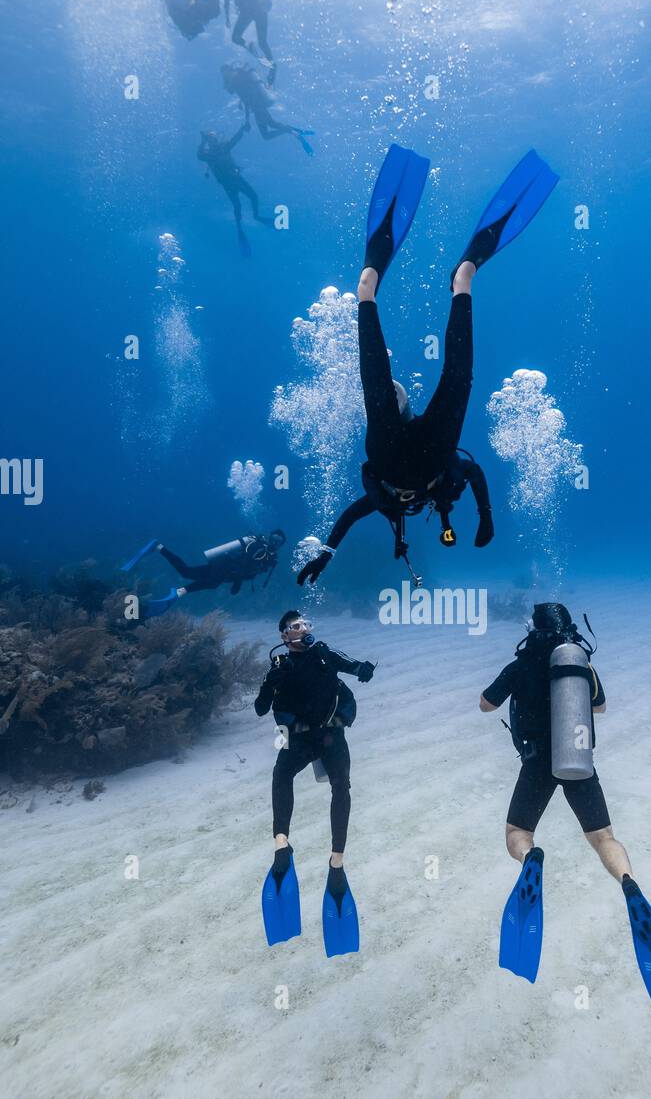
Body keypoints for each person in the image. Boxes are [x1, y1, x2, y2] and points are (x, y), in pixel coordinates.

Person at [297, 145, 561, 588]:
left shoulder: (384, 501)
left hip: (396, 452)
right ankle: (454, 281)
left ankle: (379, 288)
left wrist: (326, 553)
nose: (409, 506)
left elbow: (349, 516)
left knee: (415, 382)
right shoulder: (435, 488)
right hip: (430, 452)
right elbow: (473, 473)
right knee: (446, 380)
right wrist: (485, 518)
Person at [479, 601, 651, 1027]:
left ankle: (531, 860)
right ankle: (628, 883)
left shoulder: (521, 662)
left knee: (516, 831)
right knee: (603, 837)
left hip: (536, 762)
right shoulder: (578, 662)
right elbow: (598, 708)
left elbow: (485, 705)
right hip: (578, 761)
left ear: (534, 627)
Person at [256, 610, 376, 957]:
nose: (304, 629)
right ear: (284, 636)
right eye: (296, 627)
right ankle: (283, 844)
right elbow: (261, 709)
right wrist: (271, 680)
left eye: (306, 624)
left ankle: (335, 860)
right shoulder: (280, 668)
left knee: (341, 788)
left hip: (330, 735)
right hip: (302, 739)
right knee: (283, 775)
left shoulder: (323, 652)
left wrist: (365, 670)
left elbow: (354, 667)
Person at [120, 531, 286, 617]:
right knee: (205, 580)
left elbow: (247, 571)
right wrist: (237, 583)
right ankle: (178, 590)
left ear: (281, 545)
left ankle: (159, 548)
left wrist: (237, 580)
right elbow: (244, 566)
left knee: (187, 572)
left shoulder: (269, 558)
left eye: (278, 542)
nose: (274, 543)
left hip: (223, 569)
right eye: (274, 538)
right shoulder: (260, 549)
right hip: (224, 569)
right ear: (270, 537)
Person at [197, 127, 273, 256]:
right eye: (210, 140)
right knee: (238, 204)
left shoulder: (222, 148)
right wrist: (202, 141)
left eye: (213, 139)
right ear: (209, 142)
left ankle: (256, 217)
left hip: (235, 179)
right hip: (229, 182)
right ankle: (240, 227)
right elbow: (199, 156)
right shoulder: (209, 155)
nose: (213, 141)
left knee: (253, 197)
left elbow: (235, 140)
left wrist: (242, 129)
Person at [221, 64, 314, 153]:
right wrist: (248, 118)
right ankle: (295, 131)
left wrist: (248, 119)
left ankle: (293, 132)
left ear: (228, 71)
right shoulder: (239, 80)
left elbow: (246, 100)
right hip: (259, 106)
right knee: (272, 125)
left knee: (266, 135)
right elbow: (245, 100)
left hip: (257, 107)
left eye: (225, 73)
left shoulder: (237, 82)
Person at [222, 0, 276, 76]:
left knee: (236, 37)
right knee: (262, 42)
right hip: (259, 10)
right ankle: (272, 65)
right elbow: (227, 2)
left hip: (249, 12)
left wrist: (227, 18)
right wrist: (227, 18)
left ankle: (250, 47)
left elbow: (226, 2)